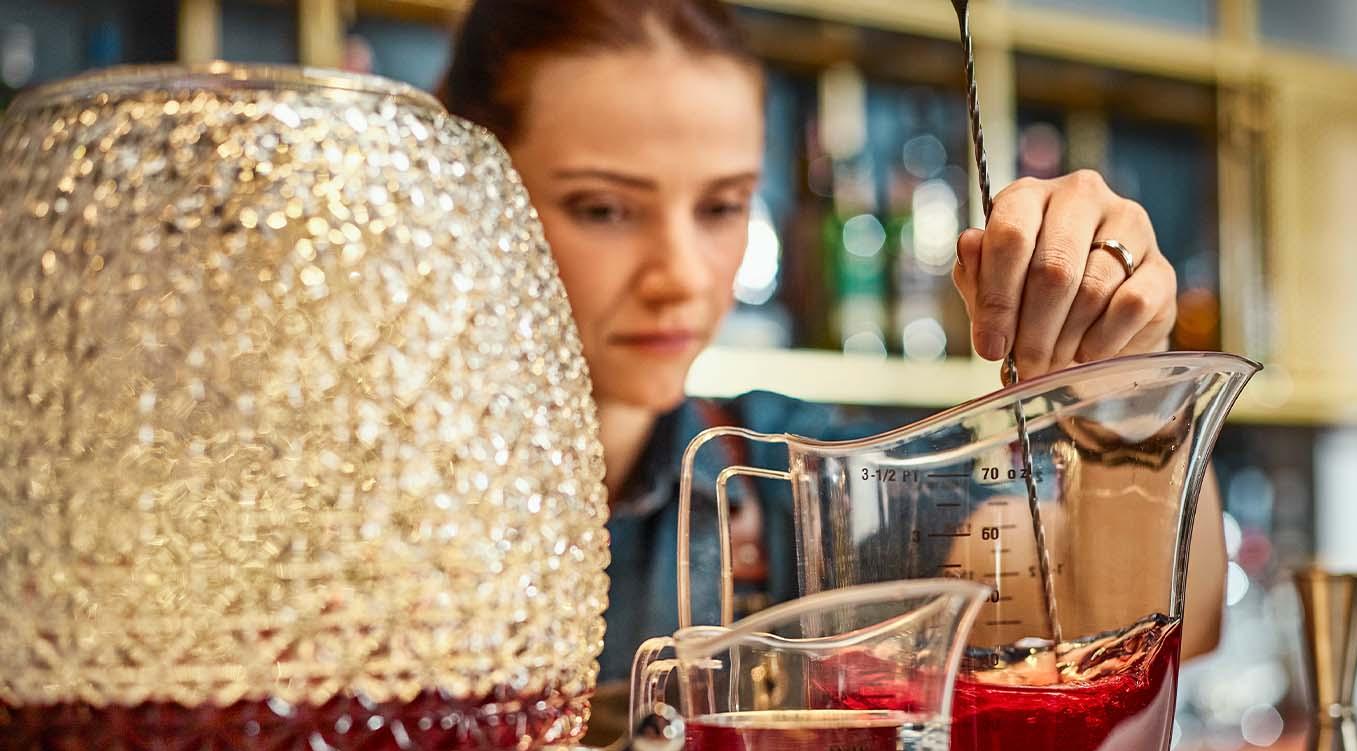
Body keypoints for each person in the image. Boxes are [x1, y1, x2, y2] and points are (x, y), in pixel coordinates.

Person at [437, 0, 1226, 692]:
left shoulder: (790, 489)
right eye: (604, 209)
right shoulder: (347, 506)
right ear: (460, 187)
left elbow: (1144, 624)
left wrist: (1131, 384)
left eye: (720, 207)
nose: (679, 276)